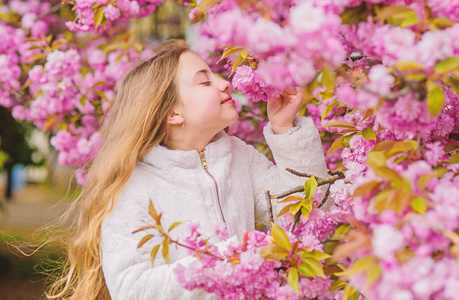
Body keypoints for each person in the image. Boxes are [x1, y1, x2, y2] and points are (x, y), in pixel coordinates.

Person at [48, 40, 330, 300]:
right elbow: (132, 289)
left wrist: (285, 129)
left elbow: (308, 219)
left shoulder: (239, 157)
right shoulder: (133, 188)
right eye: (205, 81)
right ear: (173, 114)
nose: (224, 84)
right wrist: (224, 262)